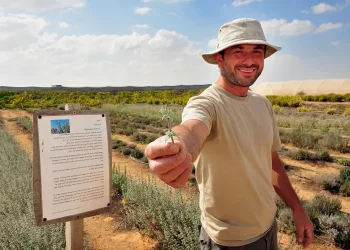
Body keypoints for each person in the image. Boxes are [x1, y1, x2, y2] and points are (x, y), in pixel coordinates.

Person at [144, 18, 314, 250]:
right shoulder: (207, 103)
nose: (249, 60)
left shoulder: (262, 104)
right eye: (238, 51)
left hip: (268, 230)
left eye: (257, 50)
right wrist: (179, 146)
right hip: (228, 242)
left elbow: (272, 161)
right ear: (219, 58)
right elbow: (192, 129)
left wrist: (297, 208)